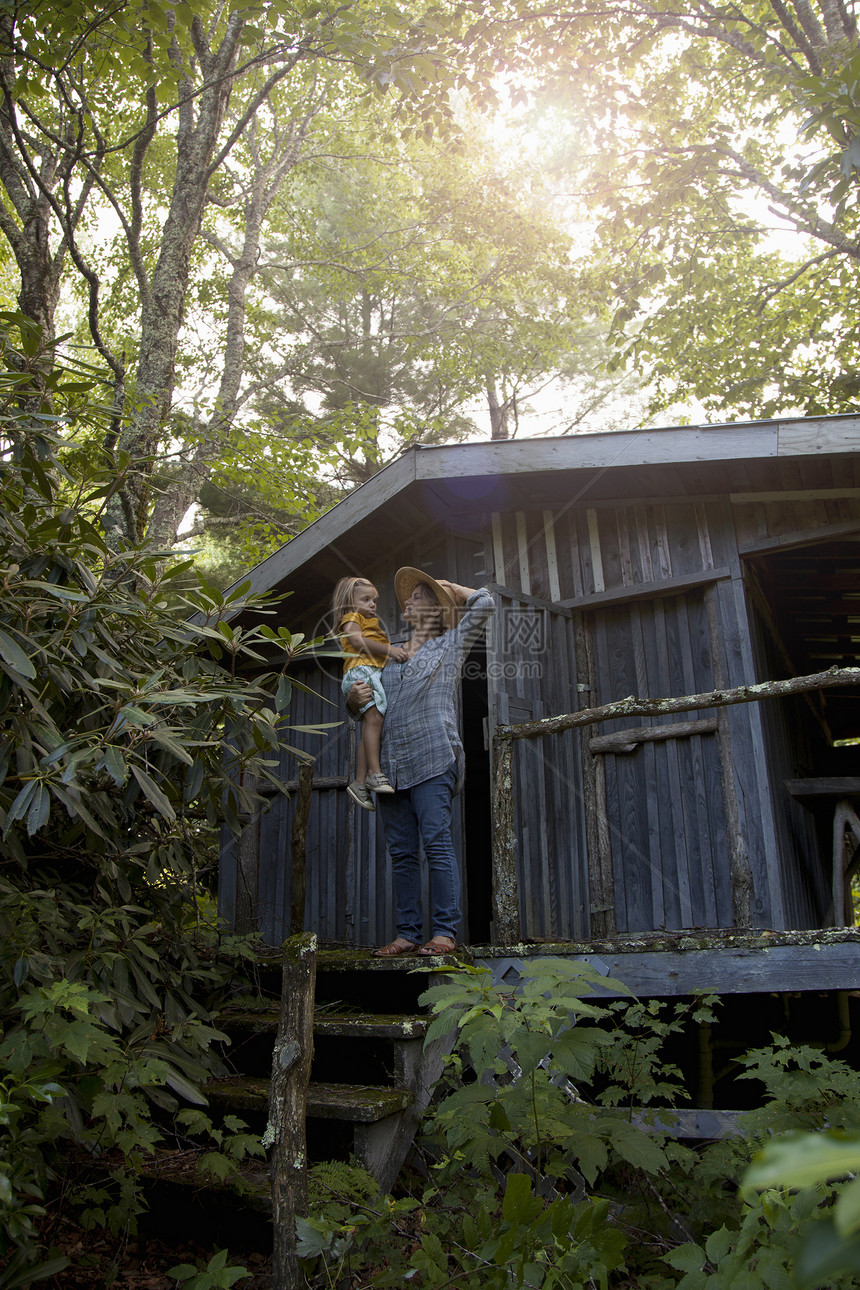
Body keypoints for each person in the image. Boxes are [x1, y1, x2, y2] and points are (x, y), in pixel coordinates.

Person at [348, 568, 493, 957]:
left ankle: (444, 932)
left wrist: (449, 588)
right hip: (391, 769)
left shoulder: (450, 644)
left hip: (432, 758)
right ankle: (408, 932)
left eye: (418, 597)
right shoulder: (386, 654)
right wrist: (353, 701)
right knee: (401, 853)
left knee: (437, 844)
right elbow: (365, 707)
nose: (407, 602)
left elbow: (485, 604)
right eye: (409, 598)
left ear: (435, 610)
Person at [332, 576, 408, 810]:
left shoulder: (366, 620)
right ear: (349, 602)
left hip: (368, 671)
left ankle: (359, 781)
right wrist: (390, 650)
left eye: (374, 600)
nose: (372, 604)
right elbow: (356, 641)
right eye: (365, 599)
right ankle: (375, 773)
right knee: (374, 720)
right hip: (361, 672)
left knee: (371, 725)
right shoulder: (351, 618)